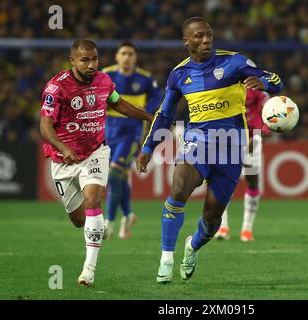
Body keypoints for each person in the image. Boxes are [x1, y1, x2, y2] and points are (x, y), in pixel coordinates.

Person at [136, 17, 282, 284]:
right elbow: (165, 114)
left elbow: (275, 80)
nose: (206, 41)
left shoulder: (235, 62)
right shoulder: (179, 74)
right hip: (198, 141)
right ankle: (166, 258)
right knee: (178, 188)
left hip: (232, 146)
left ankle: (192, 247)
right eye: (199, 36)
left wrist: (267, 84)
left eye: (209, 36)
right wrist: (148, 146)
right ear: (186, 41)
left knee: (212, 219)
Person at [39, 39, 153, 287]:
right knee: (79, 220)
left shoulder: (104, 81)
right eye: (85, 60)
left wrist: (148, 116)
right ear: (73, 61)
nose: (91, 64)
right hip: (63, 159)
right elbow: (45, 126)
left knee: (93, 199)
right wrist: (62, 147)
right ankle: (99, 228)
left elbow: (117, 103)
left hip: (95, 151)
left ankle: (88, 270)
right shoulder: (56, 88)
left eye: (95, 59)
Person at [102, 42, 162, 239]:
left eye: (130, 54)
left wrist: (147, 111)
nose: (127, 57)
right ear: (117, 57)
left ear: (135, 58)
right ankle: (128, 214)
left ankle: (108, 222)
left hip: (132, 132)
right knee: (118, 176)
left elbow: (156, 99)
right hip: (108, 131)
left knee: (114, 173)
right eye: (123, 53)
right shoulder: (106, 75)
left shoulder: (145, 78)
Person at [215, 88, 270, 242]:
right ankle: (222, 227)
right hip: (228, 139)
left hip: (253, 140)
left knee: (252, 181)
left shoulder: (259, 91)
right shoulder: (225, 86)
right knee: (223, 182)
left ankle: (247, 229)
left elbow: (268, 117)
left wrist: (260, 134)